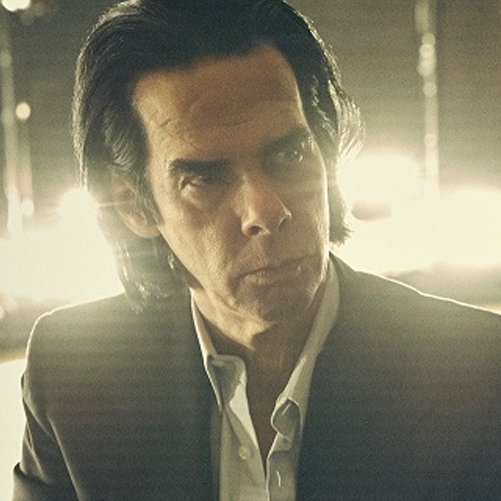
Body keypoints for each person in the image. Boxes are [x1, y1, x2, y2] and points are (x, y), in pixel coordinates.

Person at [12, 0, 501, 499]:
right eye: (205, 179)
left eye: (290, 153)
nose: (265, 210)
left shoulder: (478, 375)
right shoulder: (74, 377)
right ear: (133, 206)